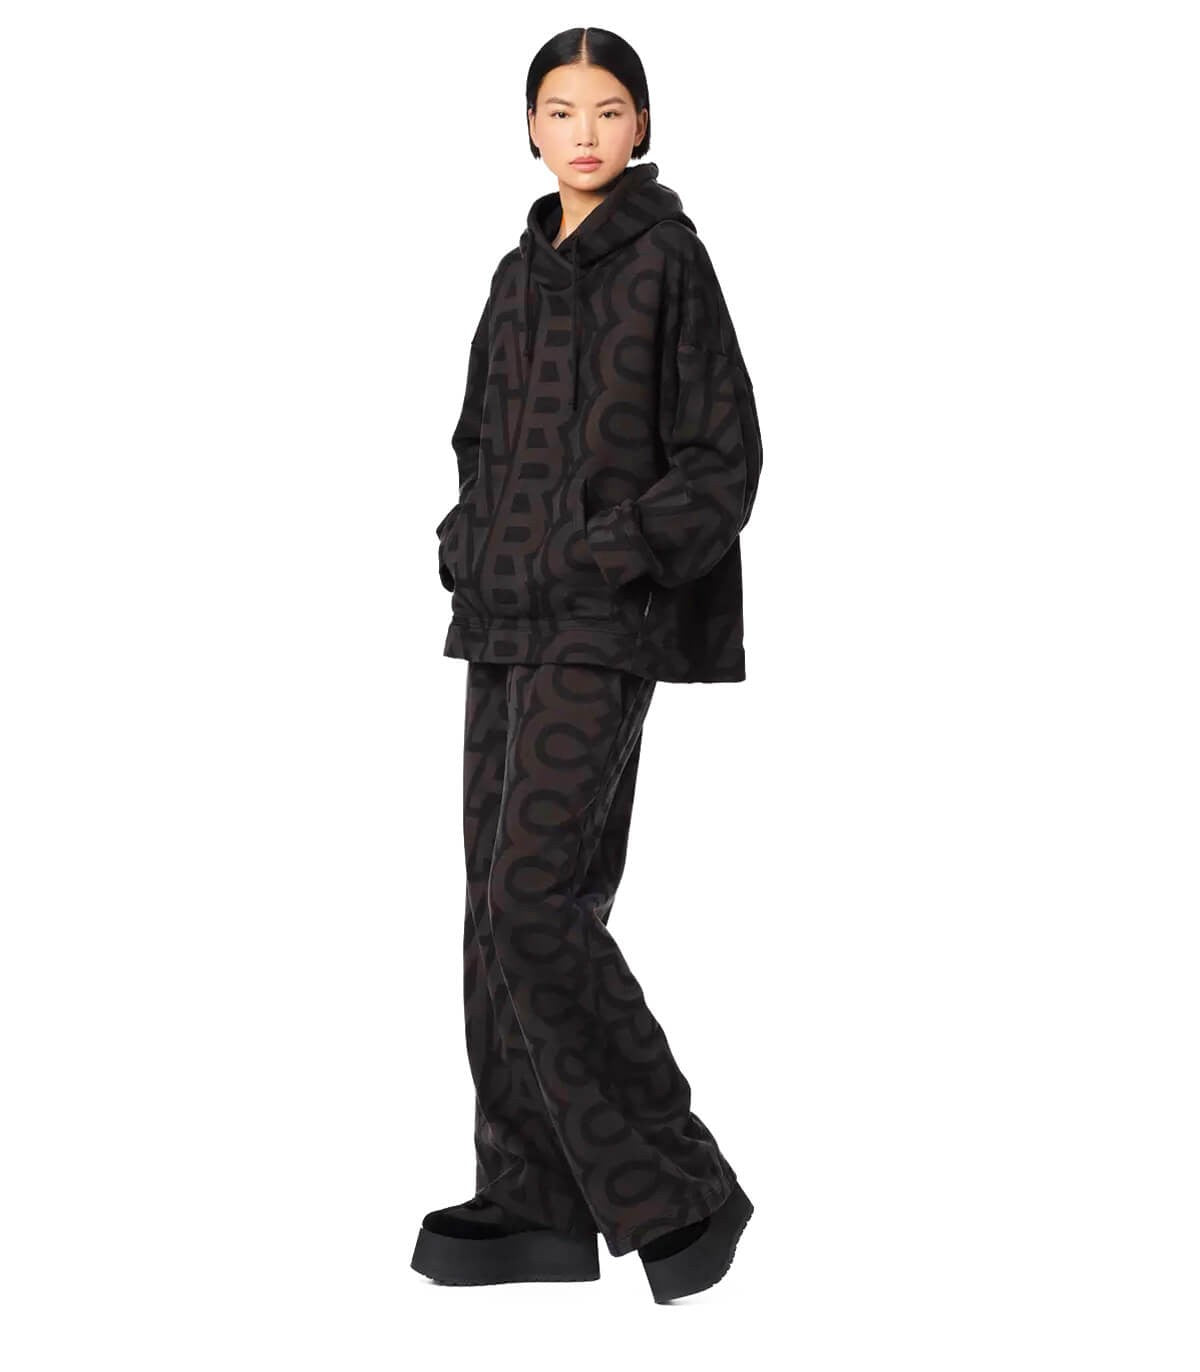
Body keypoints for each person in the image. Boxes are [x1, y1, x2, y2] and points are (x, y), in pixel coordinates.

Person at [411, 27, 763, 1304]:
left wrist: (608, 554)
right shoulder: (515, 274)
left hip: (602, 624)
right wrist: (465, 541)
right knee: (491, 917)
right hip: (500, 619)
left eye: (608, 110)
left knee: (535, 899)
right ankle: (533, 1196)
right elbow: (476, 438)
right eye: (560, 111)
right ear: (530, 128)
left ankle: (683, 1184)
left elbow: (725, 460)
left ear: (642, 124)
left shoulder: (669, 261)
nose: (584, 132)